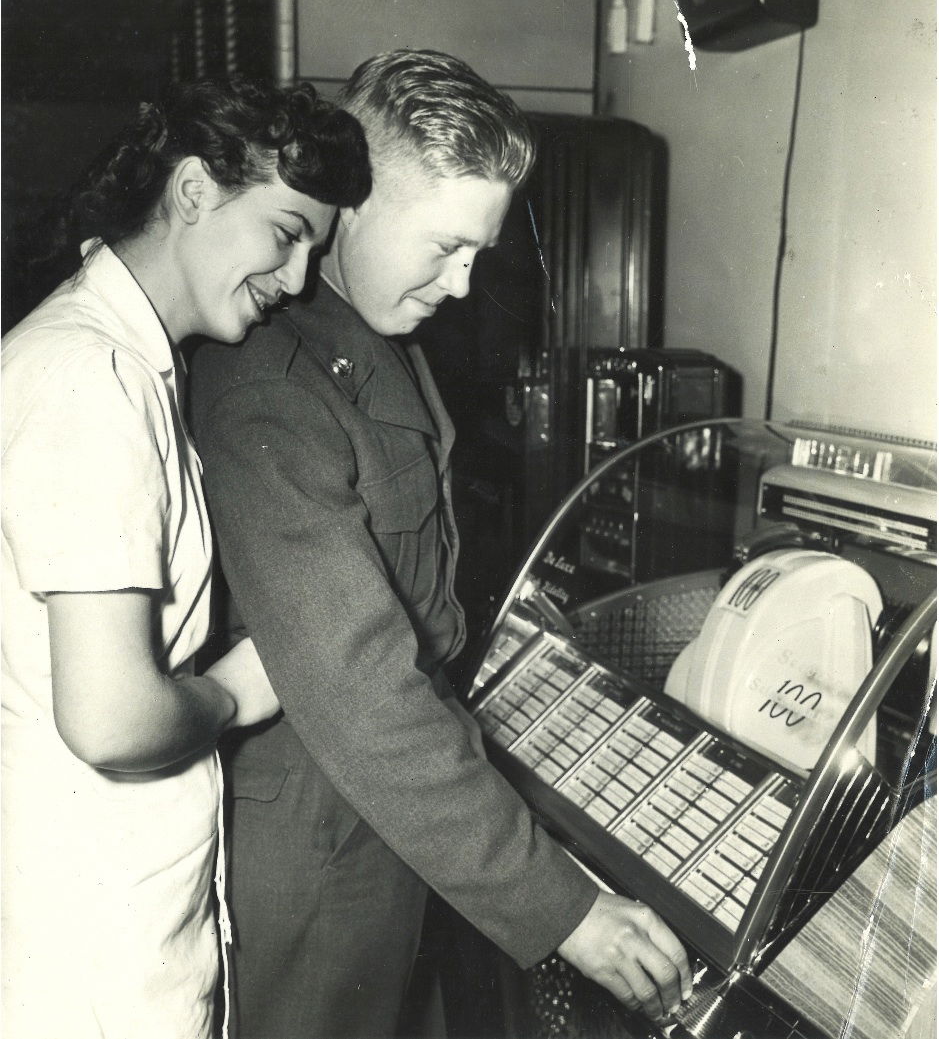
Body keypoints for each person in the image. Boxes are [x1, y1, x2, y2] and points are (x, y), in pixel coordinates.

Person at [189, 50, 692, 1039]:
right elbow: (360, 681)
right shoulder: (266, 379)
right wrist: (567, 909)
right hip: (318, 851)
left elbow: (417, 592)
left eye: (480, 252)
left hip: (394, 832)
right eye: (448, 246)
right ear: (354, 204)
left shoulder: (379, 339)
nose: (464, 285)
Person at [1, 77, 370, 1039]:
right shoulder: (95, 376)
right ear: (197, 191)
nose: (295, 280)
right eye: (285, 233)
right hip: (91, 960)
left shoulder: (109, 354)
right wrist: (240, 692)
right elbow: (114, 716)